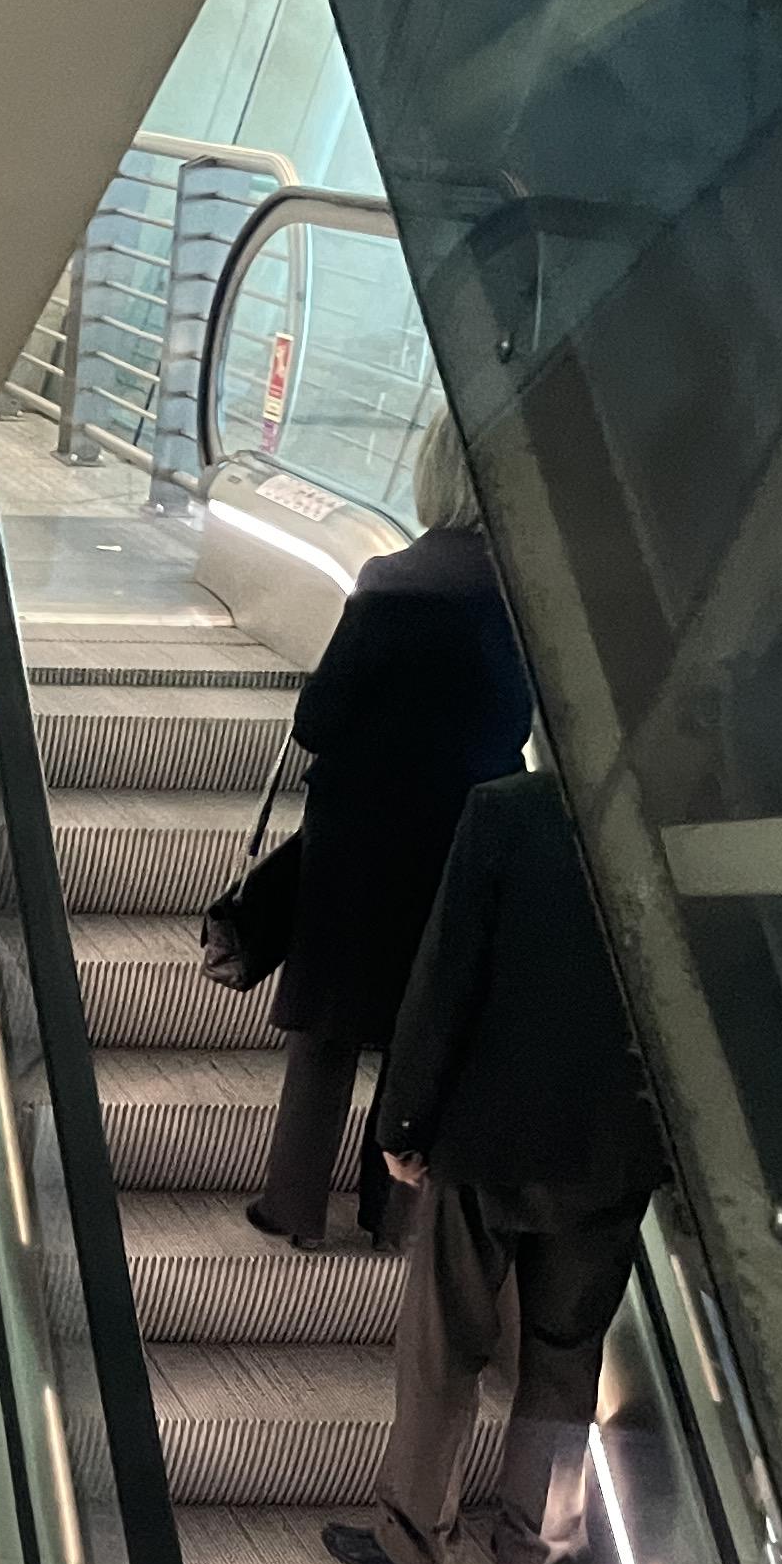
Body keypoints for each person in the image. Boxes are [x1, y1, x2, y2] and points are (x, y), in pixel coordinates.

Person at [324, 770, 665, 1564]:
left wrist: (402, 1123)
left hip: (490, 1135)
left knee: (443, 1344)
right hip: (615, 1151)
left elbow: (446, 976)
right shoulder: (685, 826)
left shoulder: (512, 812)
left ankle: (415, 1540)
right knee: (566, 1356)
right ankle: (533, 1549)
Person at [247, 408, 534, 1247]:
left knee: (327, 1030)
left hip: (361, 838)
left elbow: (320, 719)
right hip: (465, 839)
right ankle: (396, 1218)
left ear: (434, 474)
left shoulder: (393, 580)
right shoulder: (526, 595)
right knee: (425, 1025)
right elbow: (518, 723)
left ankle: (294, 1207)